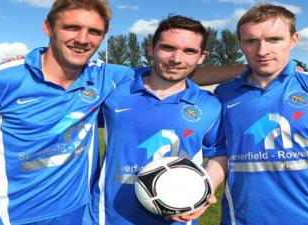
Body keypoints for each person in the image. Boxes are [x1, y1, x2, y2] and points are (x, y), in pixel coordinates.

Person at [0, 1, 243, 224]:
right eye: (71, 27)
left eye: (94, 31)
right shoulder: (2, 78)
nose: (83, 39)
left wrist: (252, 67)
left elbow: (172, 76)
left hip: (76, 212)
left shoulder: (104, 77)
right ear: (48, 28)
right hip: (8, 215)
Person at [214, 3, 308, 225]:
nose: (262, 50)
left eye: (274, 39)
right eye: (251, 41)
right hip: (239, 219)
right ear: (241, 45)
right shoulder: (224, 94)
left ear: (294, 40)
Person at [91, 15, 227, 225]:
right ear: (151, 48)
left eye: (189, 51)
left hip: (179, 218)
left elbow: (219, 152)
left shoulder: (209, 105)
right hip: (107, 216)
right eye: (167, 48)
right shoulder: (115, 91)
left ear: (201, 57)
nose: (176, 59)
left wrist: (206, 188)